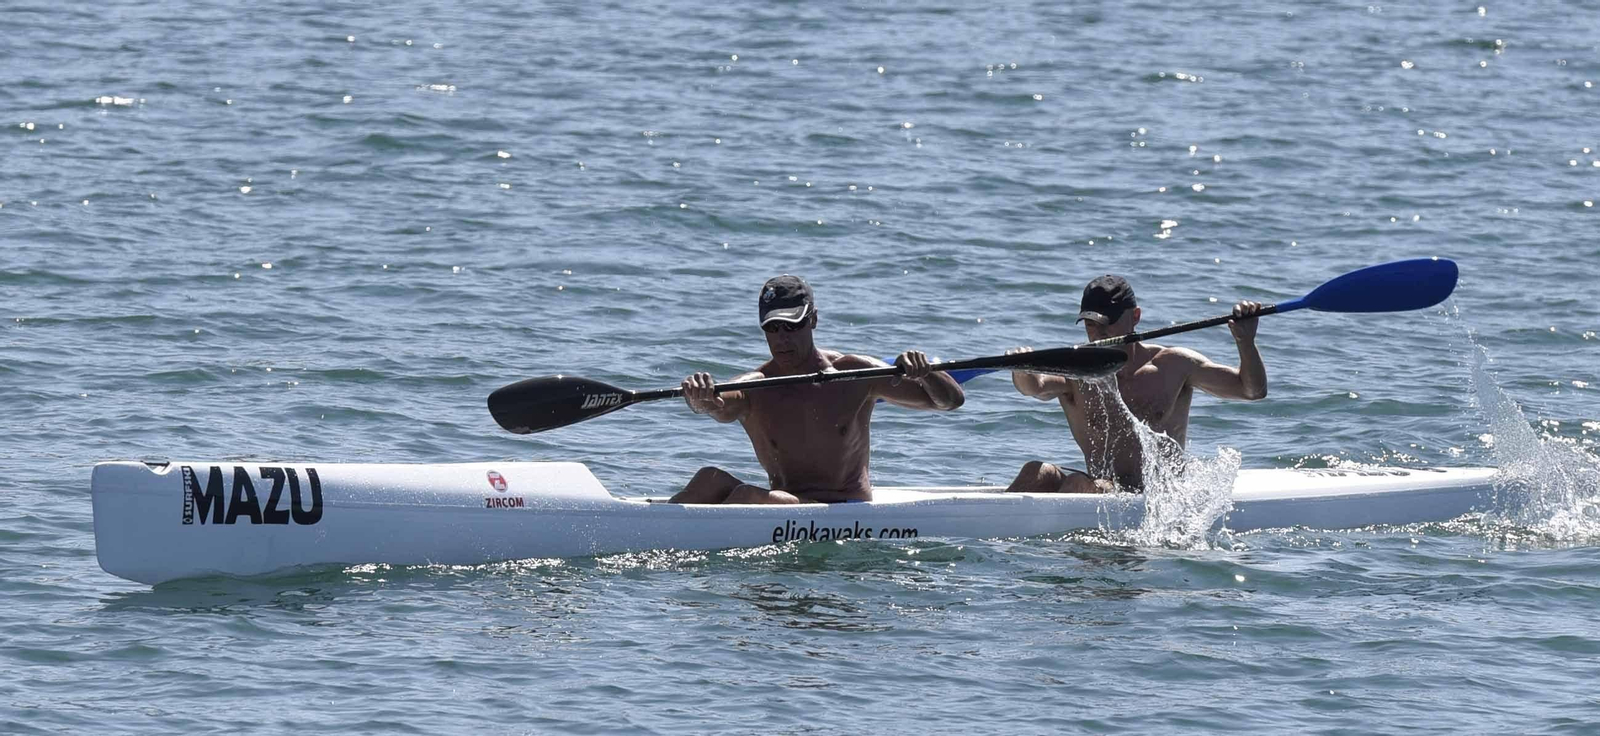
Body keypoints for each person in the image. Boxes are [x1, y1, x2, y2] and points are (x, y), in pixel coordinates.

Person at [670, 275, 965, 504]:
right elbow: (718, 406)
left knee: (747, 496)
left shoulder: (854, 373)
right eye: (772, 329)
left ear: (813, 319)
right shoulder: (756, 387)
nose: (782, 339)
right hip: (786, 504)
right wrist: (700, 397)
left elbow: (950, 401)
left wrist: (927, 374)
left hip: (845, 506)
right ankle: (649, 535)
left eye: (792, 325)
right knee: (709, 480)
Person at [1006, 274, 1266, 493]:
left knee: (1078, 484)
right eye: (1090, 324)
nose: (1098, 333)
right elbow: (1034, 386)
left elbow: (1251, 390)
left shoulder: (1174, 365)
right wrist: (1021, 368)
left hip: (1156, 496)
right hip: (1099, 488)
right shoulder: (1078, 370)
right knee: (1037, 472)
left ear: (1135, 317)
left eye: (1106, 323)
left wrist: (1245, 341)